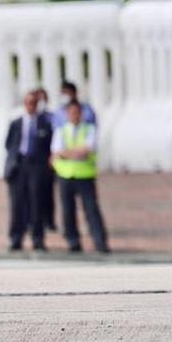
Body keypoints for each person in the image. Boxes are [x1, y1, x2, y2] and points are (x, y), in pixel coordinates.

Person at [52, 100, 110, 253]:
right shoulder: (62, 130)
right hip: (65, 175)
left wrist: (67, 153)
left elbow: (86, 150)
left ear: (81, 113)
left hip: (85, 175)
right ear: (67, 114)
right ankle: (73, 242)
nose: (74, 115)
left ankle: (100, 241)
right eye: (71, 112)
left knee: (91, 209)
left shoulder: (89, 129)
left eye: (77, 112)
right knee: (68, 211)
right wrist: (74, 153)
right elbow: (57, 152)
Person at [4, 90, 55, 251]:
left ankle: (38, 239)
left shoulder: (45, 123)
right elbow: (8, 144)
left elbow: (50, 146)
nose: (31, 106)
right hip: (19, 165)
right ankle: (16, 238)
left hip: (37, 166)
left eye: (34, 103)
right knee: (17, 204)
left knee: (36, 203)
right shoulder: (16, 123)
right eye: (28, 103)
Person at [33, 87, 57, 232]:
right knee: (33, 195)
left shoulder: (51, 117)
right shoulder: (28, 118)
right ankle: (35, 221)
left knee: (48, 193)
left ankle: (49, 221)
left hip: (47, 161)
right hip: (32, 162)